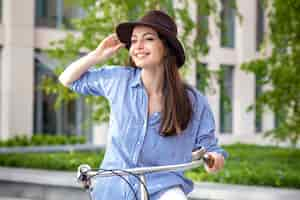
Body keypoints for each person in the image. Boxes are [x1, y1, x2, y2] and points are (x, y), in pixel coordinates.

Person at [59, 10, 227, 200]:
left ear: (166, 48)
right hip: (113, 188)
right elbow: (68, 79)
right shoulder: (117, 80)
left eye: (148, 39)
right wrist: (97, 55)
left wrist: (214, 159)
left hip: (163, 189)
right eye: (133, 40)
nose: (137, 46)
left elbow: (210, 147)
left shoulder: (193, 100)